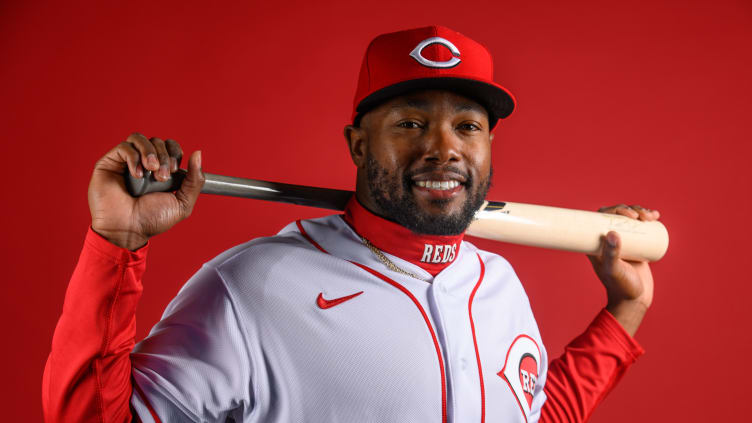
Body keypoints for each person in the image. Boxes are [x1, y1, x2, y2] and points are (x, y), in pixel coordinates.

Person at [43, 26, 658, 422]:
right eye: (411, 124)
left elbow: (534, 414)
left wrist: (622, 311)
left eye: (467, 126)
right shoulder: (254, 286)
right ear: (358, 146)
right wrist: (115, 248)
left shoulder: (497, 280)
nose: (444, 149)